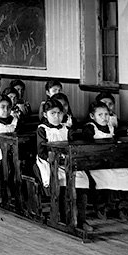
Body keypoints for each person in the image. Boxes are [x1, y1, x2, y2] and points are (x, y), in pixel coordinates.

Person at [35, 96, 91, 231]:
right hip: (49, 163)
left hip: (67, 162)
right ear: (45, 115)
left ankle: (81, 219)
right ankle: (65, 218)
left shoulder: (66, 129)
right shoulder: (42, 129)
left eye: (59, 113)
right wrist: (56, 158)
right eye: (52, 114)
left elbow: (74, 145)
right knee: (62, 185)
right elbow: (41, 151)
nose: (56, 117)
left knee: (82, 183)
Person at [82, 101, 128, 220]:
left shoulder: (111, 127)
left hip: (111, 161)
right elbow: (87, 147)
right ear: (92, 116)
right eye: (100, 115)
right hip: (96, 162)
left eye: (106, 114)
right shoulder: (89, 128)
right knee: (104, 177)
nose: (104, 117)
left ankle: (124, 206)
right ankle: (101, 206)